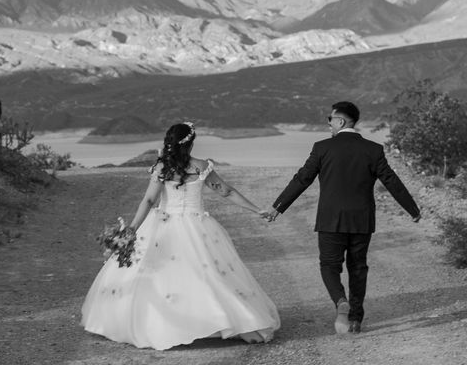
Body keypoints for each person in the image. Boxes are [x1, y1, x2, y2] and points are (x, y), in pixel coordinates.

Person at [81, 122, 280, 350]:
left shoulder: (162, 168)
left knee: (158, 276)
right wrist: (257, 210)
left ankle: (161, 324)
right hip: (197, 226)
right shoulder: (201, 166)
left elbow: (148, 201)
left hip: (163, 225)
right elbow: (227, 191)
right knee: (210, 275)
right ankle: (234, 322)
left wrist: (132, 229)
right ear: (191, 142)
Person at [266, 101, 421, 334]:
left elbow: (302, 179)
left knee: (329, 265)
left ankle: (340, 301)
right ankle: (356, 319)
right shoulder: (373, 150)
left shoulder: (322, 148)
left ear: (340, 121)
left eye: (330, 119)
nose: (328, 123)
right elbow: (392, 181)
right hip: (362, 220)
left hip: (330, 220)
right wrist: (413, 209)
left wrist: (278, 207)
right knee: (358, 267)